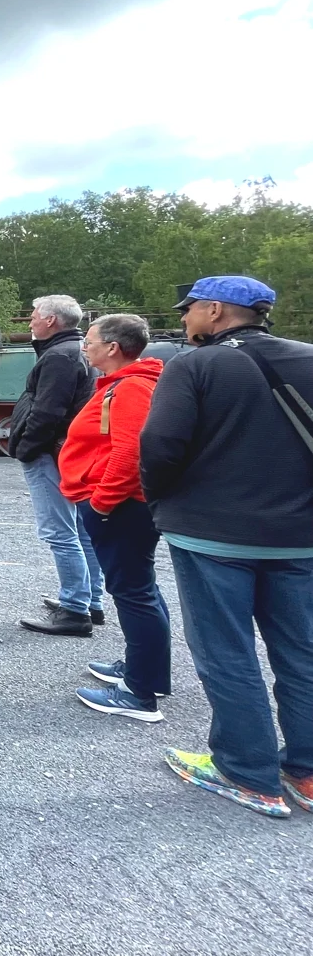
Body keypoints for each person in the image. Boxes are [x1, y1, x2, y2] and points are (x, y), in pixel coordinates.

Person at [141, 276, 313, 818]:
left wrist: (161, 502)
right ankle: (306, 773)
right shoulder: (308, 358)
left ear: (216, 311)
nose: (186, 319)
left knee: (227, 651)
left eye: (190, 309)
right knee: (302, 649)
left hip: (212, 532)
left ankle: (246, 771)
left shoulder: (194, 366)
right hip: (300, 536)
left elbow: (160, 445)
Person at [57, 314, 169, 722]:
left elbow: (129, 452)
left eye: (90, 340)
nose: (84, 347)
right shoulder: (124, 384)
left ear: (113, 348)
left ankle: (140, 694)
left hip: (120, 507)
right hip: (122, 505)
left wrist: (102, 502)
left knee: (134, 593)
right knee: (140, 589)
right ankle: (147, 672)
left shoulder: (132, 388)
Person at [11, 294, 104, 636]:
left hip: (51, 452)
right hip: (68, 451)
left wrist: (25, 447)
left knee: (60, 532)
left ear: (51, 321)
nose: (31, 320)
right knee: (81, 530)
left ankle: (74, 610)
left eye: (35, 315)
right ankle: (89, 600)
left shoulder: (59, 356)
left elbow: (48, 411)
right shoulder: (76, 350)